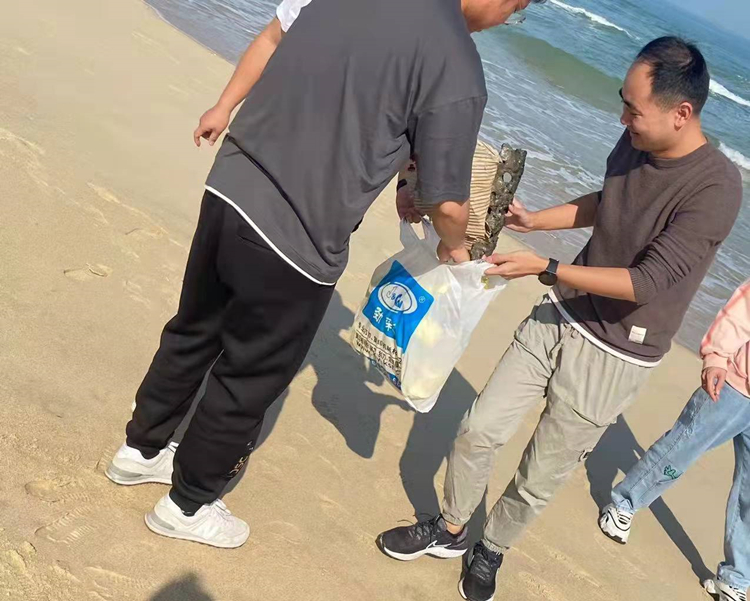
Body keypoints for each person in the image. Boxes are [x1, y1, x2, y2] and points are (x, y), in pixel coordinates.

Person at [104, 0, 548, 549]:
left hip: (231, 184)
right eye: (516, 10)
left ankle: (139, 450)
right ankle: (186, 505)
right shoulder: (455, 64)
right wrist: (456, 249)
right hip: (298, 232)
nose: (505, 21)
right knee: (250, 373)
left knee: (194, 329)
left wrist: (404, 180)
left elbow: (353, 92)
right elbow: (448, 201)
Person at [378, 36, 743, 601]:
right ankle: (451, 528)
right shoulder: (636, 140)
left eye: (634, 110)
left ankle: (491, 549)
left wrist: (547, 267)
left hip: (618, 352)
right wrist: (537, 222)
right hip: (561, 312)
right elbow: (608, 200)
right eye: (623, 103)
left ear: (681, 113)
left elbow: (647, 281)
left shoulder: (716, 187)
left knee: (540, 474)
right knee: (479, 428)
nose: (622, 119)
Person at [598, 280, 750, 601]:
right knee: (681, 449)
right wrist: (716, 357)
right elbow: (741, 312)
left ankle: (736, 577)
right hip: (734, 386)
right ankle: (624, 504)